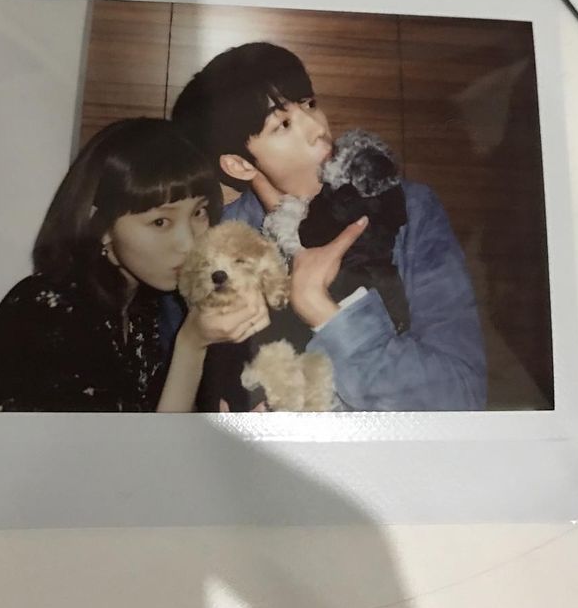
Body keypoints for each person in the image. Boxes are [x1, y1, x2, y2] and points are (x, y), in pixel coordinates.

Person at [171, 42, 488, 412]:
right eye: (283, 124)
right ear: (239, 165)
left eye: (309, 104)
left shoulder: (407, 209)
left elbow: (463, 399)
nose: (317, 128)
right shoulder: (223, 248)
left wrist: (324, 311)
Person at [0, 118, 268, 413]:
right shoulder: (48, 310)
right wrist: (191, 344)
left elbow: (156, 440)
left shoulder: (141, 307)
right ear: (100, 227)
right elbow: (124, 467)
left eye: (198, 212)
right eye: (159, 222)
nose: (189, 242)